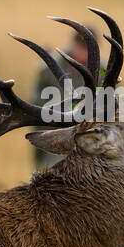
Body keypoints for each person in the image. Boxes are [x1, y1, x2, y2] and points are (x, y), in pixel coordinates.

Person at [31, 32, 89, 170]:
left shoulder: (104, 69)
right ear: (74, 44)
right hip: (53, 131)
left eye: (86, 50)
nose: (83, 54)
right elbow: (36, 99)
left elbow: (112, 97)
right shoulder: (49, 66)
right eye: (80, 48)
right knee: (51, 171)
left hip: (87, 135)